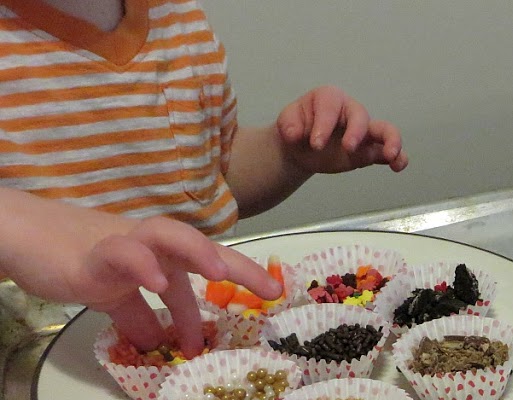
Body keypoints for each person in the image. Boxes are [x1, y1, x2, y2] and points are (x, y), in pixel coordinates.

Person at [0, 0, 408, 356]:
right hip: (33, 340)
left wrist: (288, 154)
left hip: (193, 340)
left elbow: (209, 183)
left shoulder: (176, 16)